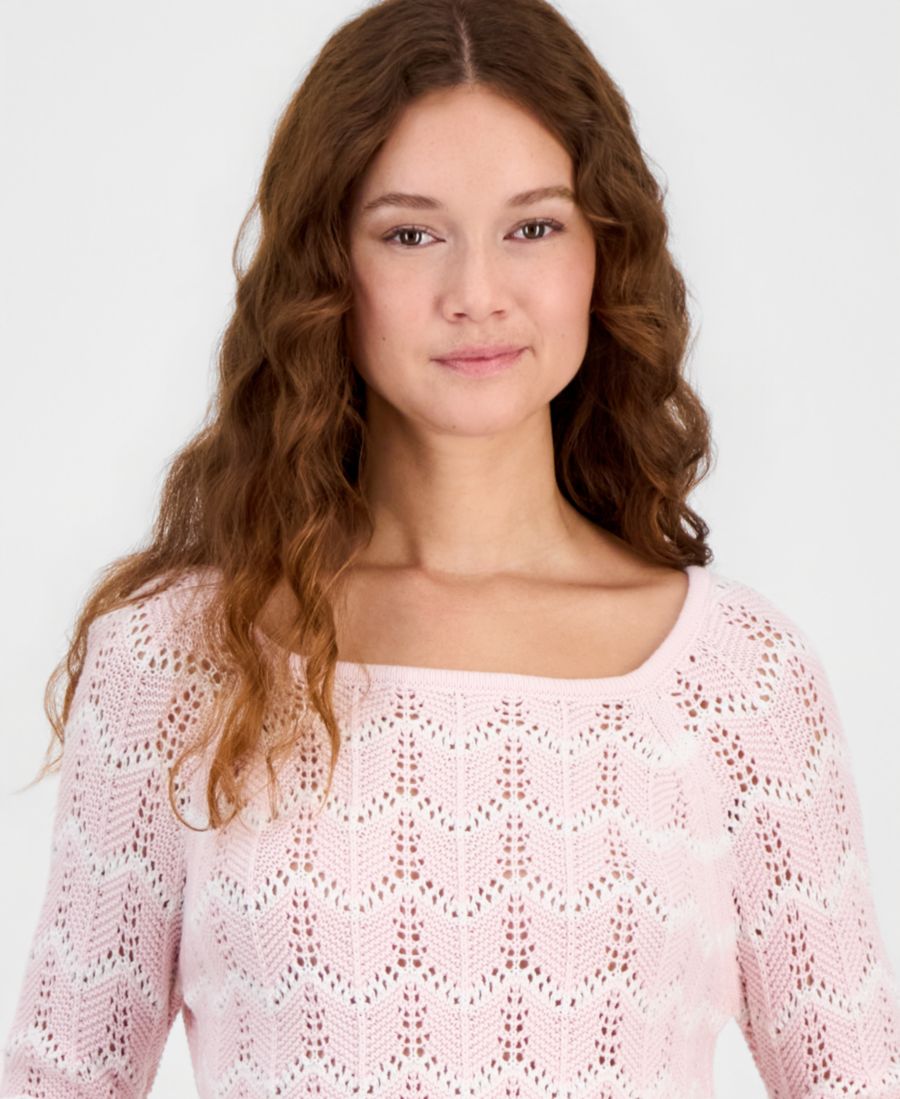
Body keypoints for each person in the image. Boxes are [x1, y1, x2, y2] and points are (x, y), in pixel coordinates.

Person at [2, 0, 899, 1095]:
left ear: (603, 251)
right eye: (411, 233)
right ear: (327, 267)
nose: (477, 295)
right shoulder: (179, 660)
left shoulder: (738, 679)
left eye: (533, 227)